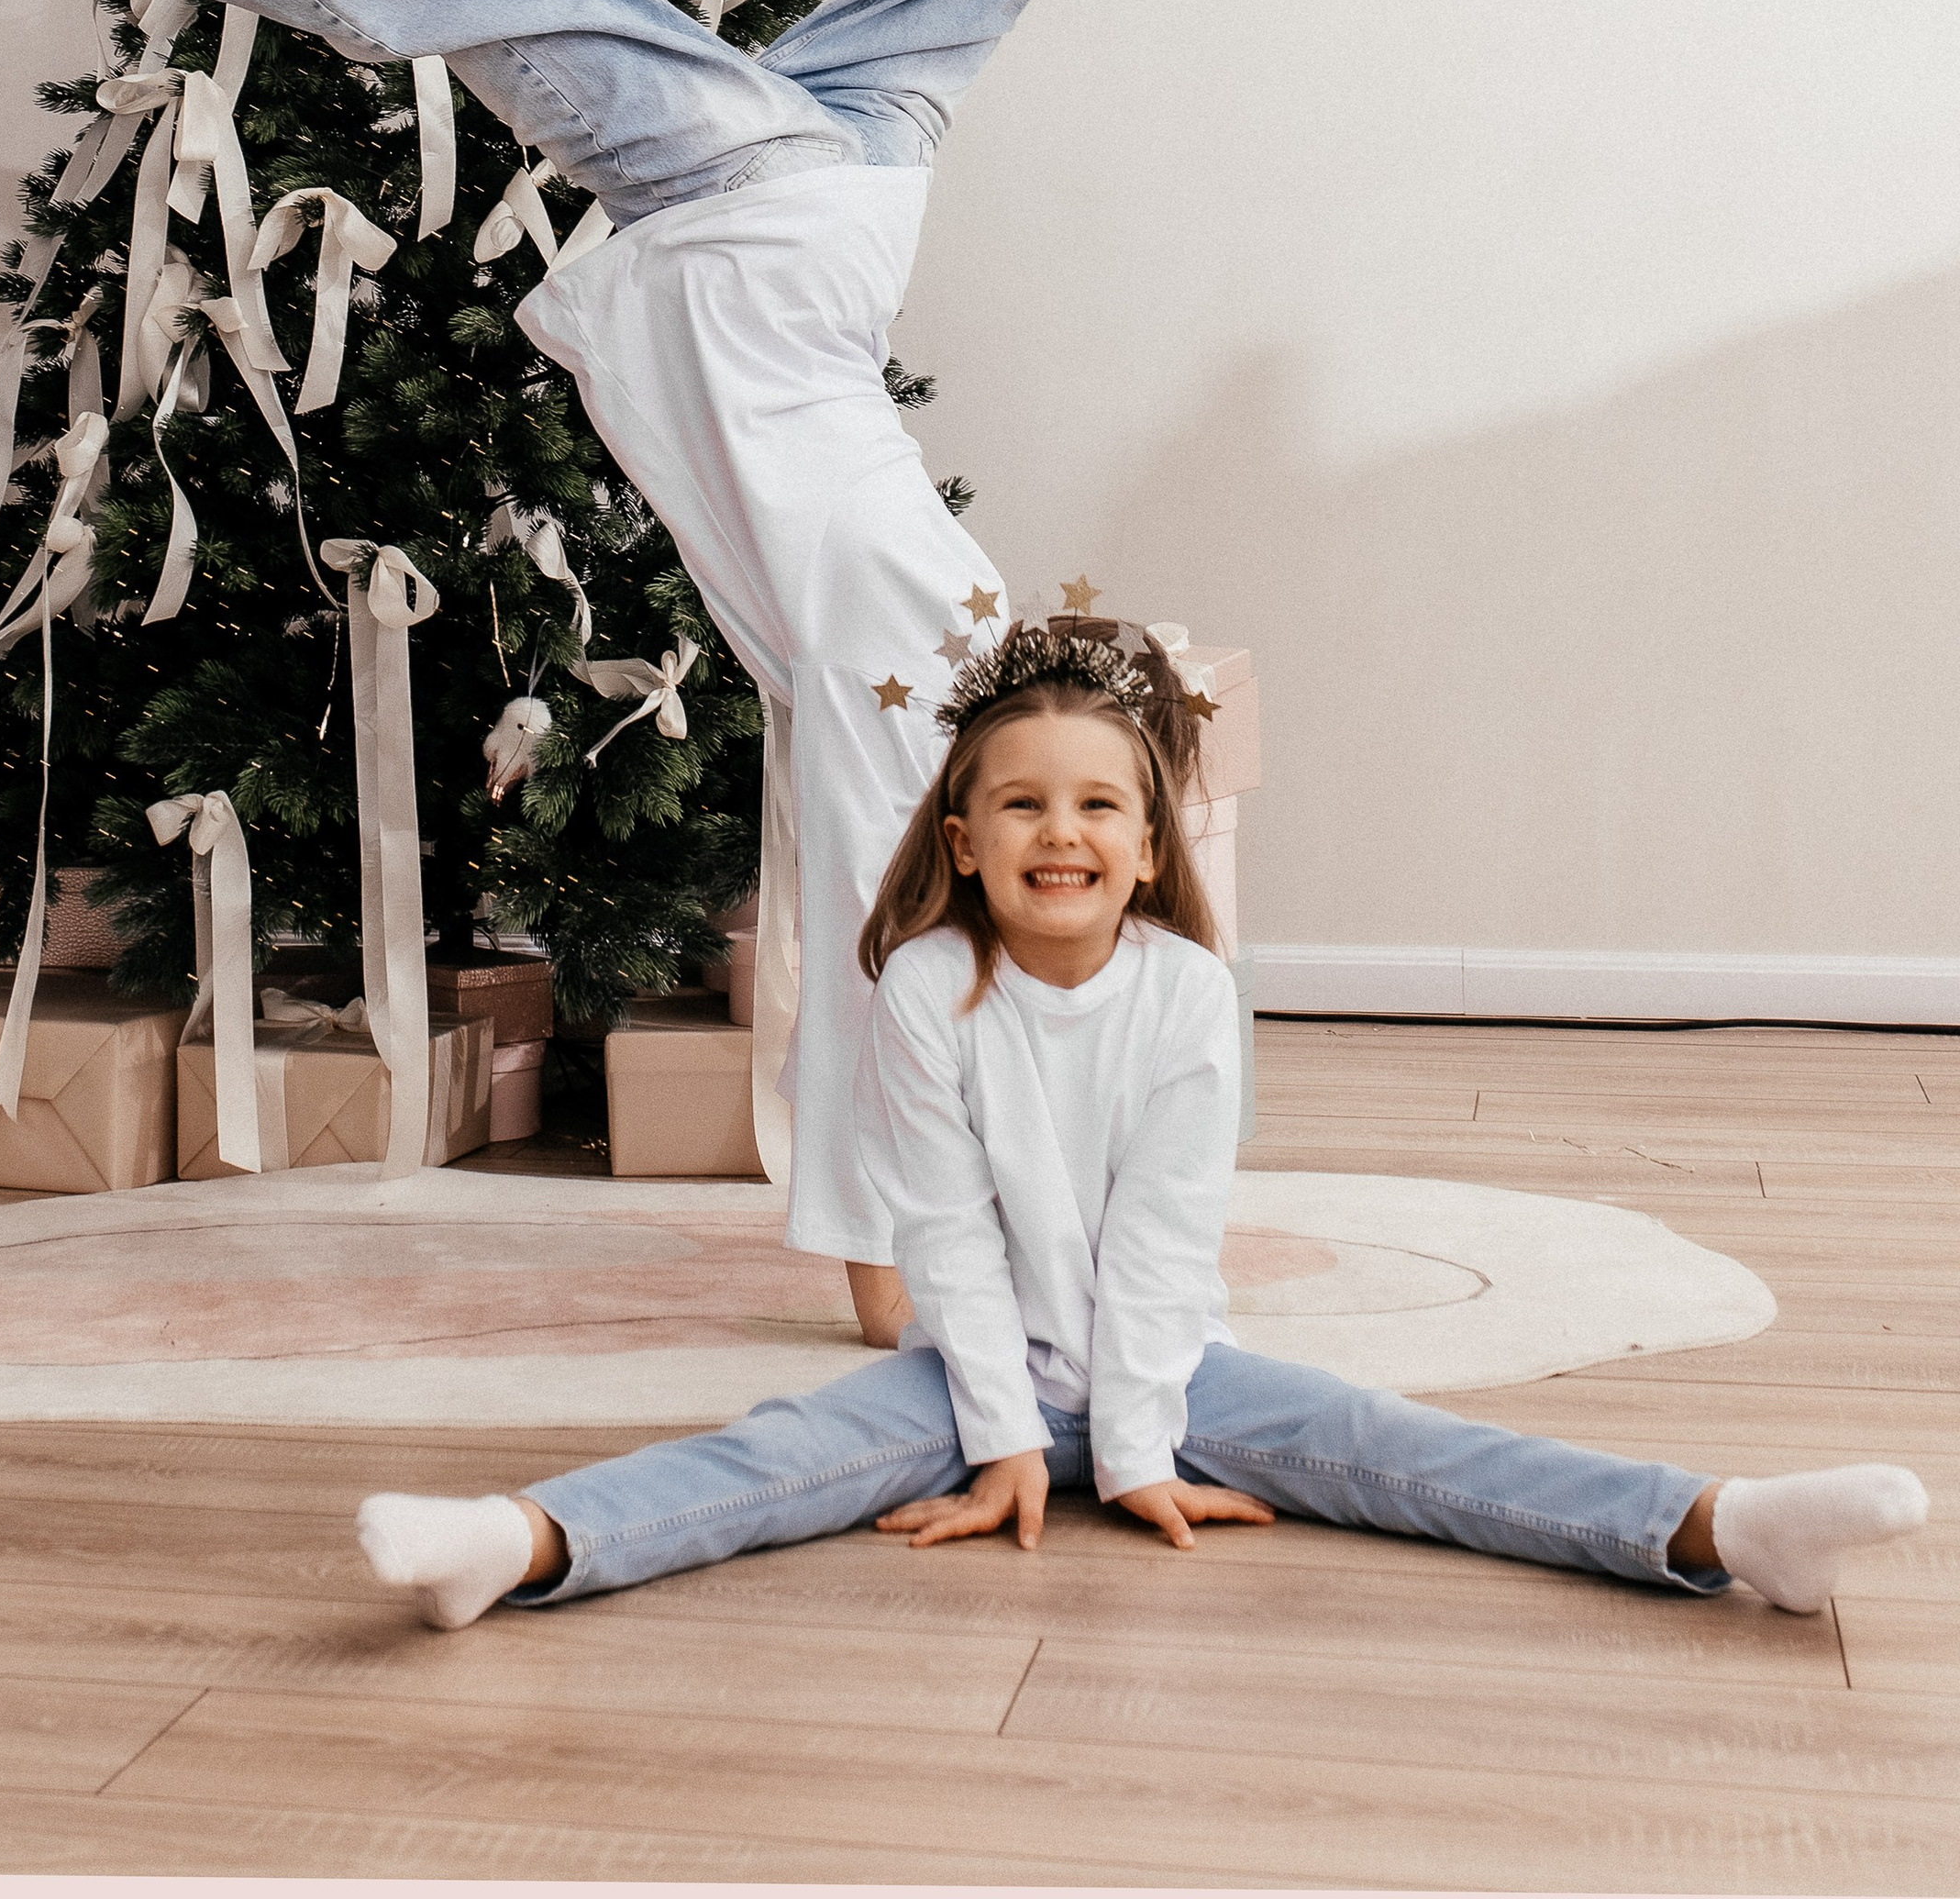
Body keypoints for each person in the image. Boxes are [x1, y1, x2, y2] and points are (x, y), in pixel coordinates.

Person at [0, 0, 1647, 1337]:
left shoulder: (903, 736)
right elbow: (904, 977)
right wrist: (922, 1256)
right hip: (765, 223)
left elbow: (872, 981)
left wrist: (901, 1280)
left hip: (794, 205)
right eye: (1065, 812)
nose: (1059, 830)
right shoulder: (945, 694)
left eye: (1067, 821)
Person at [350, 629, 1930, 1627]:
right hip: (979, 1370)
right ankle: (522, 1543)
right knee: (775, 1455)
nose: (1064, 831)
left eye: (1101, 805)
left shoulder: (1187, 997)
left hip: (1178, 1368)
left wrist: (1130, 1441)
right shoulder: (922, 991)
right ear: (965, 843)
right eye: (1024, 805)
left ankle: (1722, 1528)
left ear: (1150, 838)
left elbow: (1166, 1237)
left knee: (1406, 1452)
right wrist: (998, 1437)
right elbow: (946, 1237)